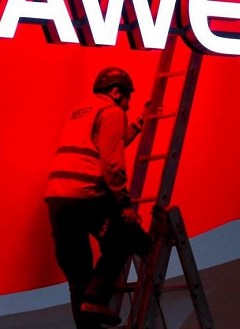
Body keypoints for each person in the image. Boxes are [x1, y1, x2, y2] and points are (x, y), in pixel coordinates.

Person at [45, 67, 152, 328]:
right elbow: (112, 162)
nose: (128, 106)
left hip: (57, 198)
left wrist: (139, 124)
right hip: (85, 194)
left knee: (78, 279)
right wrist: (125, 205)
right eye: (128, 98)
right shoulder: (112, 111)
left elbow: (107, 142)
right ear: (115, 92)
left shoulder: (80, 111)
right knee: (128, 237)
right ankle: (96, 298)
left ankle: (90, 306)